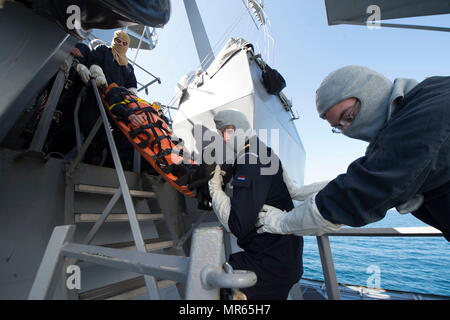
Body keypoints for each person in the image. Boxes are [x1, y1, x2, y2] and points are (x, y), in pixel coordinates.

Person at [257, 65, 450, 242]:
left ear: (370, 89)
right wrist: (299, 193)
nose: (349, 129)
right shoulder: (425, 99)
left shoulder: (428, 115)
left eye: (348, 116)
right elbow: (371, 174)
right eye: (339, 127)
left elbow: (364, 190)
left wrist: (283, 222)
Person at [208, 109, 303, 300]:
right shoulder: (262, 152)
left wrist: (215, 190)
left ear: (236, 129)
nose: (223, 139)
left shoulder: (251, 159)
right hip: (284, 257)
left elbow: (238, 225)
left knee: (214, 284)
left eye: (225, 132)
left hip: (269, 264)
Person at [76, 30, 138, 169]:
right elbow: (94, 61)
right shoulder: (103, 50)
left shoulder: (128, 67)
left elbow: (132, 85)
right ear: (113, 40)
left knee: (123, 132)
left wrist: (133, 102)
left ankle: (113, 164)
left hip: (119, 101)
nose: (120, 44)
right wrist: (97, 74)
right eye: (118, 41)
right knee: (92, 123)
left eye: (124, 43)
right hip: (99, 92)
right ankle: (93, 157)